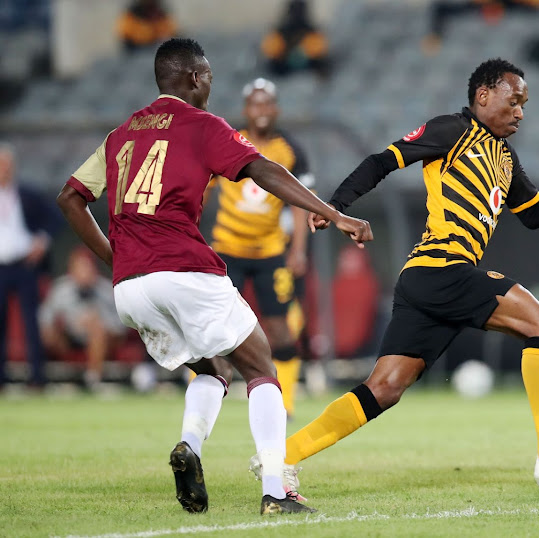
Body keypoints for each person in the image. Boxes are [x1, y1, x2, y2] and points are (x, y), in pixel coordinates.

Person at [259, 58, 539, 497]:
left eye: (525, 105)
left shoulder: (505, 159)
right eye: (515, 101)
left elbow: (537, 215)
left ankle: (279, 459)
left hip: (431, 280)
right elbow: (383, 161)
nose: (521, 113)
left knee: (385, 388)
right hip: (441, 268)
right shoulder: (451, 130)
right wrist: (336, 209)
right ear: (484, 95)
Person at [56, 37, 371, 515]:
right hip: (183, 269)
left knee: (210, 369)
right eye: (209, 79)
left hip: (131, 287)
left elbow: (70, 197)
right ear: (197, 78)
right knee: (262, 366)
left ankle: (190, 447)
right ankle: (275, 491)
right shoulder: (201, 124)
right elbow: (261, 169)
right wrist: (335, 214)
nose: (211, 89)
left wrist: (115, 259)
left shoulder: (121, 133)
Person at [206, 78, 313, 419]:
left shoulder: (290, 149)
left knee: (280, 327)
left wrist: (298, 249)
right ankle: (210, 398)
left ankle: (287, 402)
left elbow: (300, 205)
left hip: (270, 250)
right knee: (215, 324)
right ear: (245, 110)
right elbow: (201, 190)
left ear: (276, 109)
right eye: (255, 103)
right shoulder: (228, 141)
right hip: (227, 247)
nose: (261, 110)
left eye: (267, 103)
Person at [0, 144, 59, 389]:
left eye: (6, 165)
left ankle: (37, 378)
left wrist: (42, 241)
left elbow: (55, 218)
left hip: (24, 265)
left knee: (30, 322)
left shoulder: (27, 194)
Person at [39, 246, 126, 391]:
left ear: (94, 270)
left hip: (102, 338)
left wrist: (98, 321)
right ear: (71, 270)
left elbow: (121, 326)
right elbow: (44, 317)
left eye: (87, 269)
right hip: (69, 337)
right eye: (79, 268)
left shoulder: (106, 290)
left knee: (96, 328)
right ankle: (44, 379)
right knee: (46, 332)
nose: (84, 273)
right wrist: (68, 323)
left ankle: (92, 380)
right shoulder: (61, 289)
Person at [261, 0, 330, 78]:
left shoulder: (312, 34)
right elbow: (271, 53)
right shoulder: (278, 34)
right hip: (283, 68)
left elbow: (319, 54)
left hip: (307, 68)